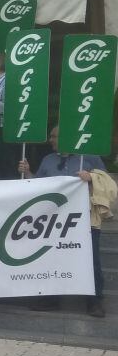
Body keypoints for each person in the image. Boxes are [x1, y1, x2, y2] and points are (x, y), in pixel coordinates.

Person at [18, 127, 110, 318]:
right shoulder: (48, 160)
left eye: (54, 136)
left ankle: (94, 301)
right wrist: (28, 174)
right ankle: (51, 298)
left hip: (84, 220)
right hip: (54, 221)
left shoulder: (90, 157)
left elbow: (107, 183)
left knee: (90, 260)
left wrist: (91, 177)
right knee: (53, 258)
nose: (50, 140)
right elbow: (39, 187)